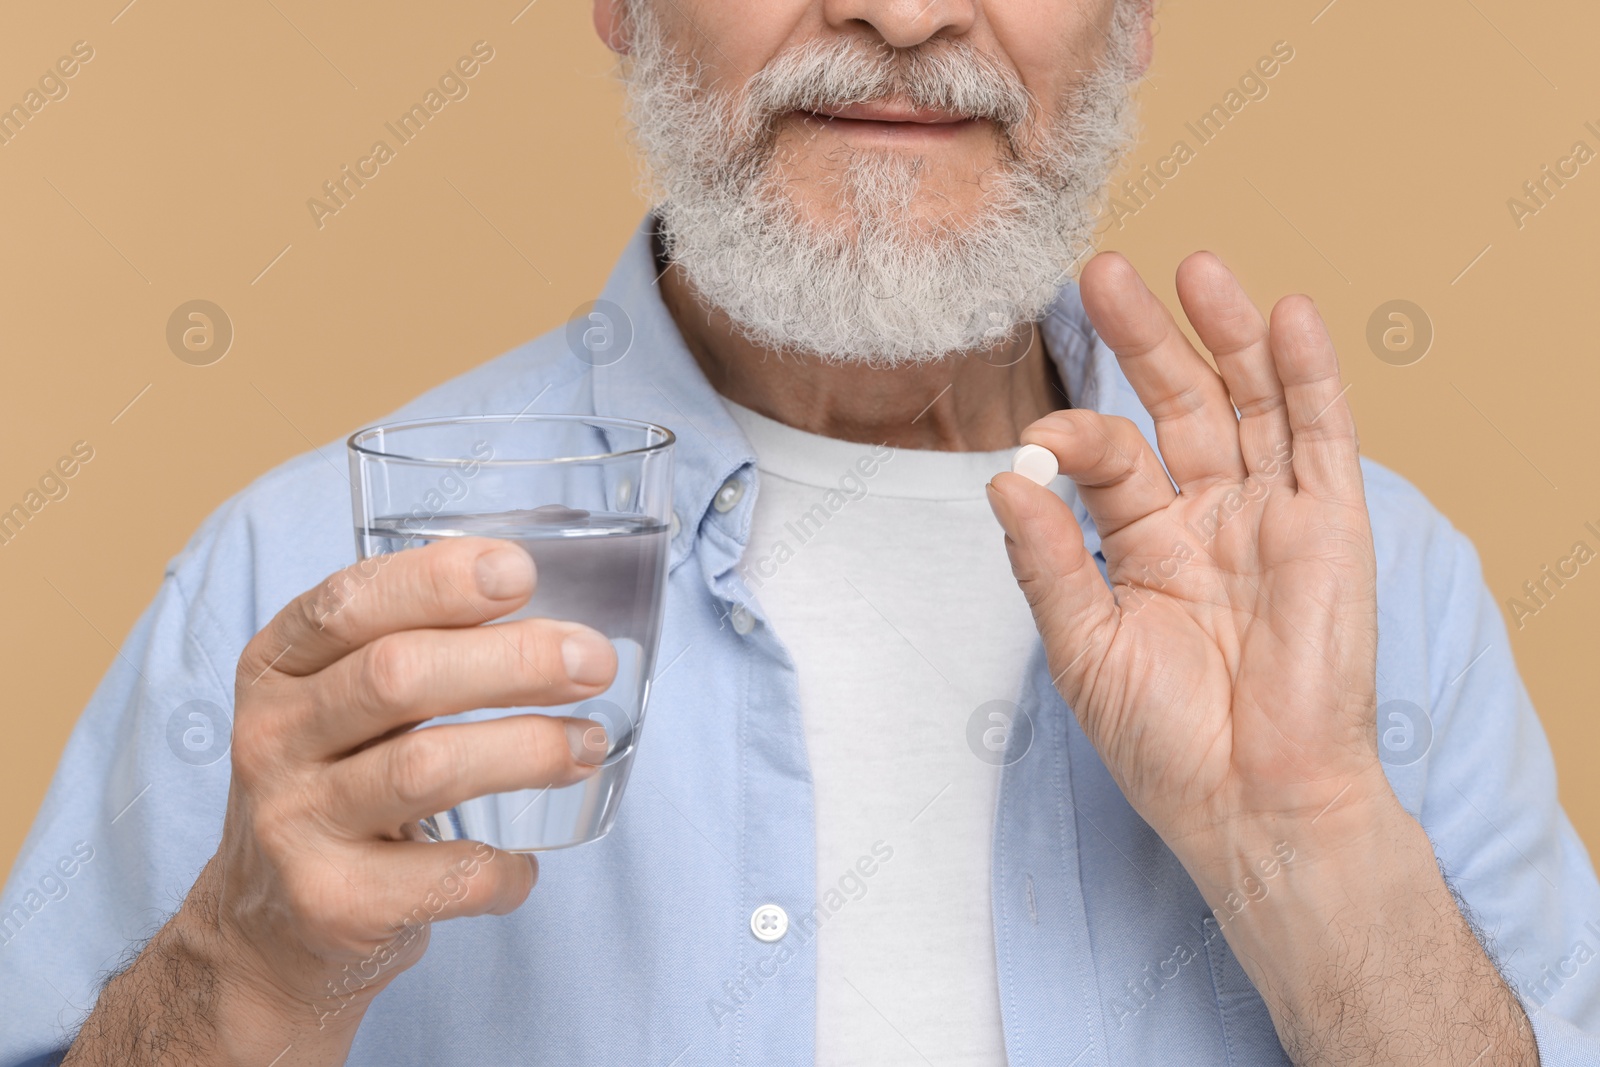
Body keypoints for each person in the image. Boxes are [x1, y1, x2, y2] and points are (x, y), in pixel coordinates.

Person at [5, 1, 1598, 1063]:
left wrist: (1311, 840)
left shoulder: (1383, 593)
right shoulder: (300, 580)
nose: (904, 12)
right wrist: (239, 967)